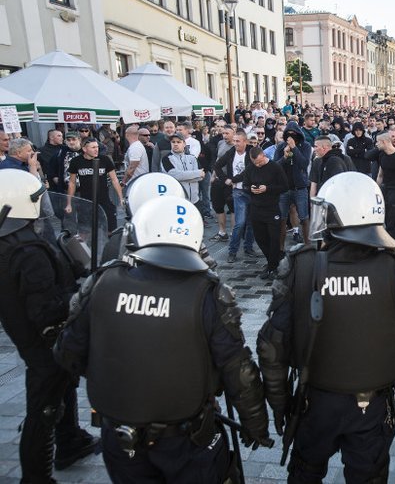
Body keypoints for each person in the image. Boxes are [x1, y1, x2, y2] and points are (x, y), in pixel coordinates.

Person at [54, 196, 273, 483]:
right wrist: (255, 423)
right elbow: (237, 368)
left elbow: (68, 352)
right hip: (186, 437)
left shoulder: (103, 281)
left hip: (120, 433)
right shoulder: (207, 292)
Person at [257, 172, 395, 483]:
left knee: (305, 474)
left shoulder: (301, 264)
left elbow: (272, 346)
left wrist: (280, 405)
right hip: (373, 405)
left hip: (315, 402)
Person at [0, 170, 99, 483]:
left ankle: (70, 439)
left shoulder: (12, 239)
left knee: (63, 387)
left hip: (34, 338)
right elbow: (46, 310)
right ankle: (36, 476)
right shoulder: (27, 251)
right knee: (43, 410)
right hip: (44, 342)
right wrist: (80, 299)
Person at [214, 129, 257, 263]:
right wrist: (225, 179)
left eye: (238, 141)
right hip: (238, 192)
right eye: (234, 141)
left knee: (251, 222)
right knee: (239, 223)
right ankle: (232, 251)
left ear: (245, 141)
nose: (235, 143)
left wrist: (232, 179)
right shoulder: (231, 152)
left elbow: (248, 171)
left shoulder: (251, 151)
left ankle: (248, 248)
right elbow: (217, 165)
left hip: (251, 191)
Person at [245, 146, 288, 279]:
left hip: (271, 207)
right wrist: (250, 188)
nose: (257, 165)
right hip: (256, 208)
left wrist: (267, 188)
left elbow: (284, 186)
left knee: (274, 238)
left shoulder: (275, 167)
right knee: (260, 238)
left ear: (263, 155)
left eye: (259, 162)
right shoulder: (250, 168)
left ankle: (272, 267)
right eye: (255, 163)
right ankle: (273, 262)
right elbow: (245, 184)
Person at [65, 137, 124, 231]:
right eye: (93, 147)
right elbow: (72, 183)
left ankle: (109, 245)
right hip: (86, 201)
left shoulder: (105, 159)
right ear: (84, 149)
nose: (96, 149)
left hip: (104, 200)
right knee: (85, 232)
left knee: (111, 230)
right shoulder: (76, 161)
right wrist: (69, 203)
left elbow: (114, 180)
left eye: (97, 147)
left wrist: (121, 198)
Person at [275, 122, 313, 249]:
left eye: (294, 134)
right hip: (284, 189)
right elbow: (275, 167)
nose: (291, 136)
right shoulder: (280, 147)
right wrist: (285, 157)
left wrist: (294, 148)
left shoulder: (305, 146)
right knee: (282, 219)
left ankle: (308, 247)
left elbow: (303, 163)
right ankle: (280, 248)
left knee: (304, 217)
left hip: (300, 188)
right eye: (288, 134)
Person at [161, 133, 204, 205]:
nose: (175, 144)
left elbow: (201, 177)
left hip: (195, 200)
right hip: (178, 201)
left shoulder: (192, 158)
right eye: (173, 142)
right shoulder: (166, 159)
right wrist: (196, 174)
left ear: (184, 144)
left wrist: (183, 177)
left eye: (178, 142)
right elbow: (174, 176)